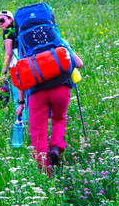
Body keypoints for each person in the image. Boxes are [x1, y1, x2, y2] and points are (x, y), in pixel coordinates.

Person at [15, 47, 83, 177]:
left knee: (38, 133)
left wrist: (21, 103)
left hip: (37, 92)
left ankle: (45, 174)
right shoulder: (57, 38)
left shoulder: (24, 45)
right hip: (61, 88)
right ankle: (55, 147)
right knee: (58, 118)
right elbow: (79, 63)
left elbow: (20, 76)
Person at [0, 10, 28, 120]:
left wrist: (4, 72)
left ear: (11, 20)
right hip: (26, 66)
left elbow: (8, 53)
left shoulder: (7, 33)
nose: (0, 23)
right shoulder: (19, 31)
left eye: (2, 20)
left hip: (16, 68)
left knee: (17, 98)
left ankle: (21, 123)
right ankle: (28, 121)